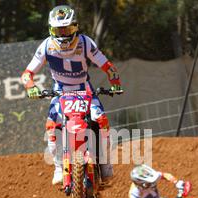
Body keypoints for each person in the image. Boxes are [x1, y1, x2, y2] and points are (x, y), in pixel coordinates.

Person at [21, 5, 123, 185]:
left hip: (85, 89)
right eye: (58, 30)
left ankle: (106, 163)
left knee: (101, 120)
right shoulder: (46, 46)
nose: (63, 35)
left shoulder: (85, 43)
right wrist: (31, 87)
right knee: (52, 126)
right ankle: (59, 166)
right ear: (51, 30)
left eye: (67, 29)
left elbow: (107, 65)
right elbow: (27, 73)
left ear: (75, 27)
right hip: (60, 91)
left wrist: (115, 83)